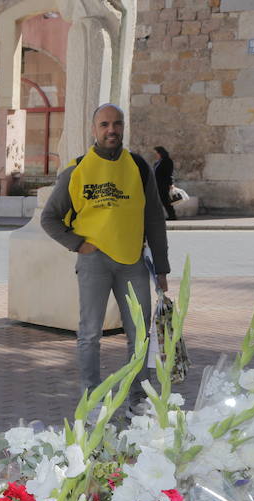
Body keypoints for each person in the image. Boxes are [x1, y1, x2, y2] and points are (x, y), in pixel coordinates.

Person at [40, 104, 170, 417]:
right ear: (94, 129)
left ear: (123, 127)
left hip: (133, 263)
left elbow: (154, 218)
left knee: (140, 335)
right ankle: (93, 398)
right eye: (105, 124)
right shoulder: (77, 169)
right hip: (94, 262)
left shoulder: (139, 167)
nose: (112, 130)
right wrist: (78, 244)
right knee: (89, 334)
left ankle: (138, 399)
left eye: (117, 124)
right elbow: (49, 218)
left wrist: (162, 268)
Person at [153, 146, 176, 221]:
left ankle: (172, 216)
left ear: (160, 153)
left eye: (156, 153)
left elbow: (169, 173)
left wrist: (170, 184)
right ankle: (166, 216)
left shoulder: (167, 161)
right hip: (157, 184)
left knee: (165, 201)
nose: (155, 154)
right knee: (158, 201)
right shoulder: (158, 162)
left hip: (163, 184)